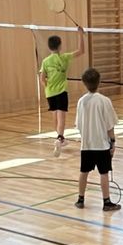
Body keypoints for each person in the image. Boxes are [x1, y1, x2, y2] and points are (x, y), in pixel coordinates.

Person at [74, 67, 120, 212]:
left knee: (84, 172)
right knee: (104, 173)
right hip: (101, 145)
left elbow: (79, 125)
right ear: (99, 82)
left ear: (84, 83)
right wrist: (112, 142)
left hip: (86, 145)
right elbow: (109, 125)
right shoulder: (104, 101)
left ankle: (80, 199)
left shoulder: (81, 101)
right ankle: (106, 202)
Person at [40, 28, 85, 156]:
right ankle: (59, 138)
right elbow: (81, 51)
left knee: (55, 116)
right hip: (61, 92)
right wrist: (80, 34)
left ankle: (61, 138)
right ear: (60, 46)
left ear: (49, 47)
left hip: (49, 93)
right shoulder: (64, 57)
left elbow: (42, 78)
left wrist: (47, 86)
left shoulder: (45, 61)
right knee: (61, 117)